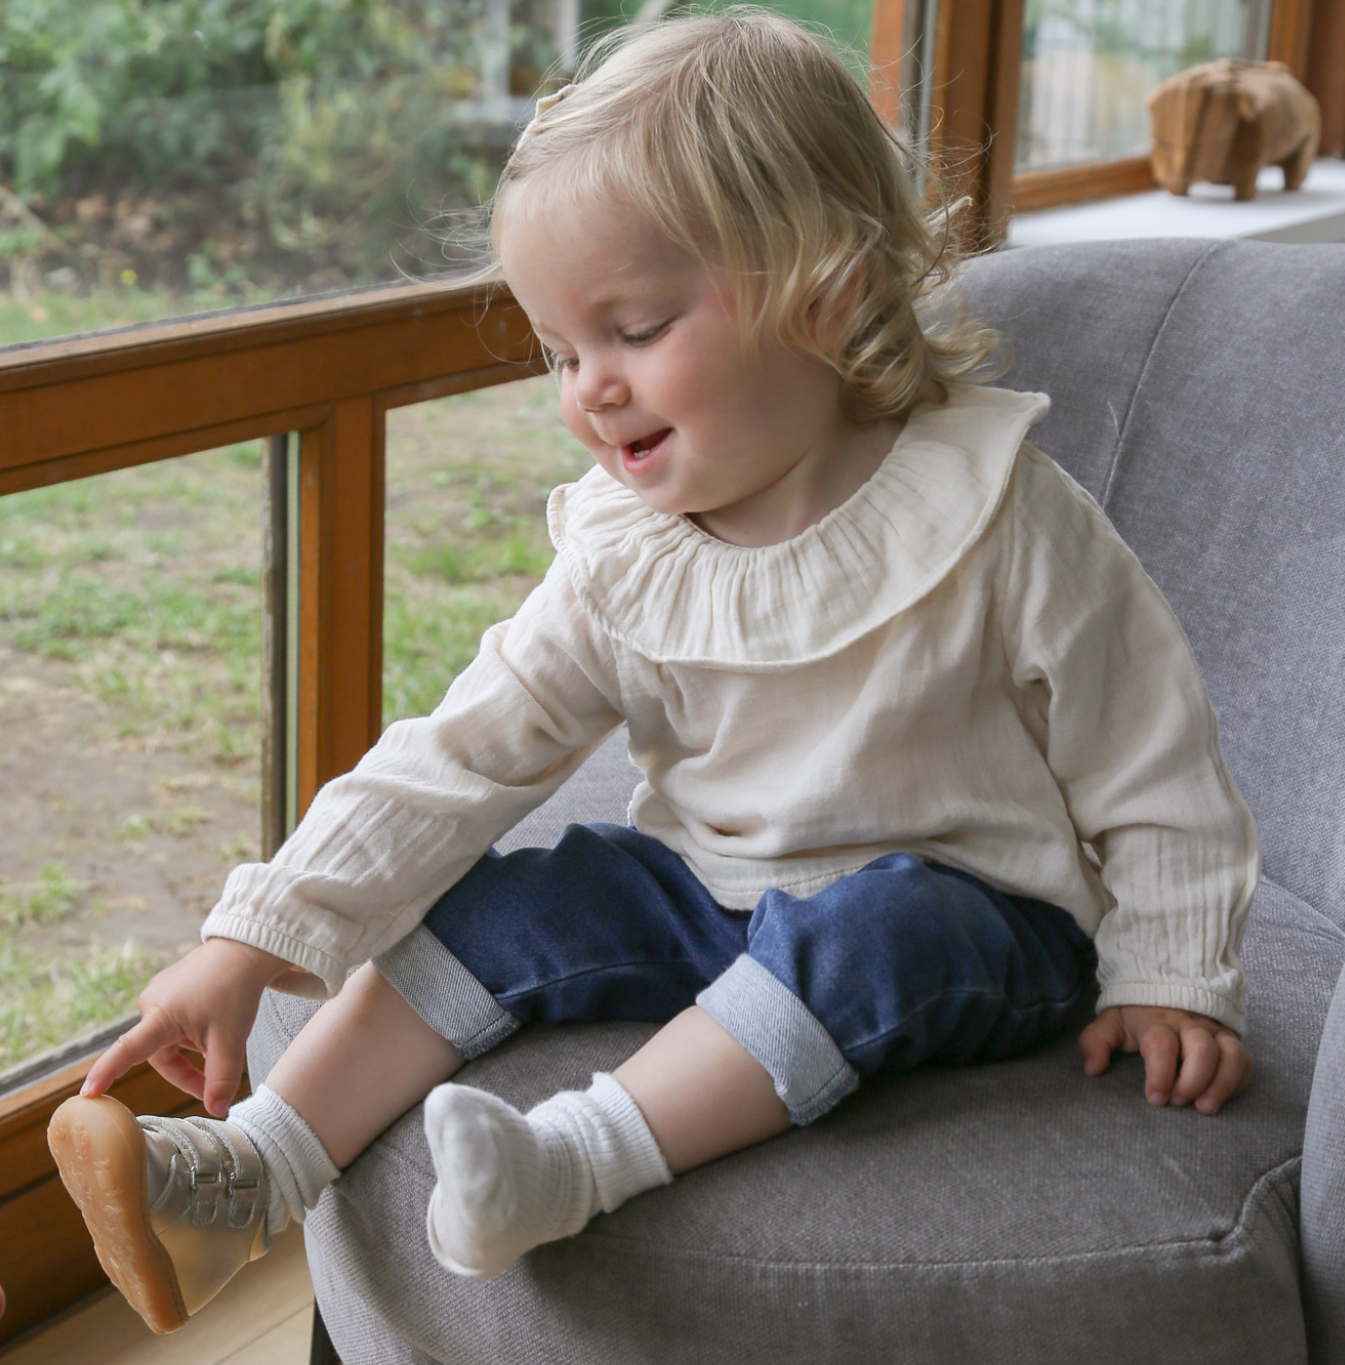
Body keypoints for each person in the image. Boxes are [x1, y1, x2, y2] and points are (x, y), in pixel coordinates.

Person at [48, 9, 1257, 1337]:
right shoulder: (625, 554)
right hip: (710, 889)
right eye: (563, 352)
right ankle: (249, 1172)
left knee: (882, 925)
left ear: (832, 290)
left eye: (631, 329)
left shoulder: (999, 513)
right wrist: (254, 933)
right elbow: (462, 755)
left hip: (977, 919)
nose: (589, 392)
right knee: (530, 896)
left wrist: (1173, 973)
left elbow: (1154, 756)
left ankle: (575, 1159)